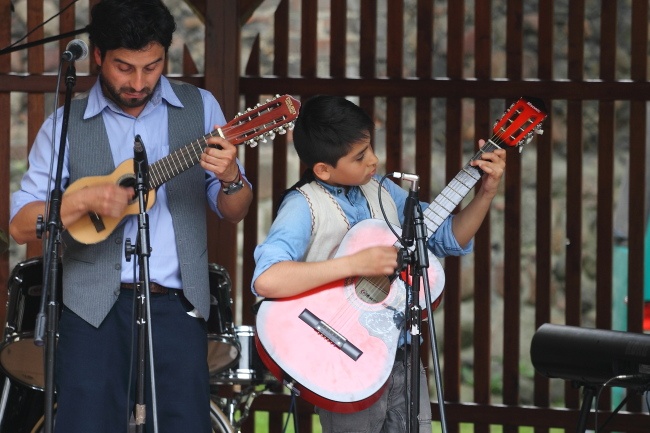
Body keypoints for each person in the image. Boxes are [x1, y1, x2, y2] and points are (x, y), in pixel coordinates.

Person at [9, 0, 252, 432]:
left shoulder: (202, 109)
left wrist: (232, 177)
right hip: (91, 311)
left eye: (152, 67)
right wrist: (81, 203)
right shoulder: (65, 124)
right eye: (124, 67)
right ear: (98, 55)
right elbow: (21, 224)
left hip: (178, 308)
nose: (139, 82)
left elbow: (233, 211)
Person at [252, 95, 506, 432]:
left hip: (400, 355)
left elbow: (445, 237)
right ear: (324, 169)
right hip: (341, 359)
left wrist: (485, 193)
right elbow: (267, 279)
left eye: (371, 148)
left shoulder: (384, 191)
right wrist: (355, 264)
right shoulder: (303, 206)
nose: (375, 160)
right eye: (360, 157)